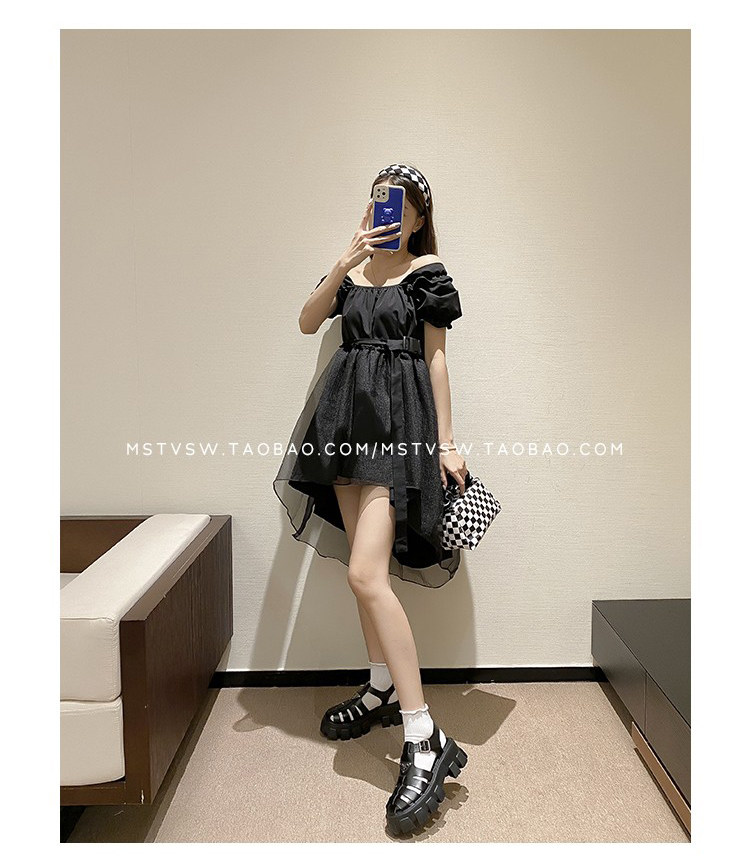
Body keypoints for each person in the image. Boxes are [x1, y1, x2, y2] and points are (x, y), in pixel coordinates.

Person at [273, 163, 468, 834]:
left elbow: (436, 358)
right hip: (344, 424)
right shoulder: (355, 273)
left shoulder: (427, 272)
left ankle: (423, 734)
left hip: (399, 427)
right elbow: (307, 322)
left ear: (418, 217)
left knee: (364, 574)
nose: (389, 212)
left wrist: (447, 442)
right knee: (366, 574)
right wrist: (344, 260)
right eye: (381, 200)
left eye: (401, 204)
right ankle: (381, 686)